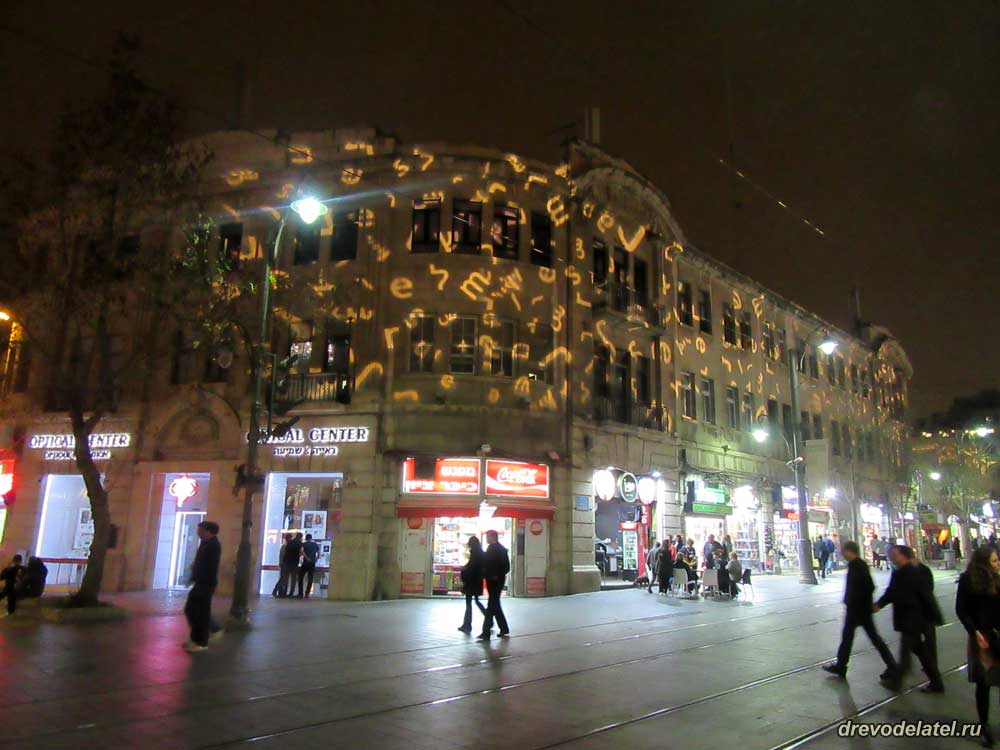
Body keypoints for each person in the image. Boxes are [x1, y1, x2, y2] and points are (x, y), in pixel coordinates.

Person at [822, 541, 899, 682]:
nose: (842, 553)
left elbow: (869, 586)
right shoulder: (855, 565)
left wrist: (857, 601)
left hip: (859, 609)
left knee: (871, 639)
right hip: (858, 609)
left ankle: (892, 666)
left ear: (849, 551)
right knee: (850, 638)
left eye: (843, 551)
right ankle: (841, 665)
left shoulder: (858, 565)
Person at [874, 545, 945, 692]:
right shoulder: (898, 572)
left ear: (904, 556)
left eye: (895, 554)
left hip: (913, 619)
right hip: (908, 618)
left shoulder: (914, 572)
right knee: (920, 651)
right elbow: (891, 592)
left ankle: (896, 682)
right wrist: (879, 604)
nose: (892, 557)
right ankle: (937, 683)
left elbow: (927, 595)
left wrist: (935, 615)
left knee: (905, 653)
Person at [956, 546, 1000, 746]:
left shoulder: (997, 579)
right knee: (984, 682)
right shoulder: (968, 580)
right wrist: (974, 631)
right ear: (983, 563)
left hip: (998, 635)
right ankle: (984, 726)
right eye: (994, 560)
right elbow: (961, 609)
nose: (998, 564)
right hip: (982, 637)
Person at [183, 521, 221, 653]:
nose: (198, 532)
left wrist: (198, 572)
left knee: (198, 611)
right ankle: (198, 637)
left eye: (200, 530)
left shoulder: (213, 545)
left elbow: (209, 566)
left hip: (205, 583)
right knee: (193, 610)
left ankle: (201, 641)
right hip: (200, 582)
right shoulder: (205, 543)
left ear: (208, 531)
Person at [479, 530, 510, 641]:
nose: (486, 539)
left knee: (491, 605)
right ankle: (504, 628)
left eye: (488, 537)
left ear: (493, 537)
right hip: (493, 580)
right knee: (495, 605)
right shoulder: (494, 549)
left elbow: (506, 567)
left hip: (495, 582)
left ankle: (486, 632)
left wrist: (496, 575)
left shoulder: (498, 550)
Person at [459, 536, 487, 633]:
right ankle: (489, 619)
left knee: (469, 603)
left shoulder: (475, 554)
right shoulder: (481, 553)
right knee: (476, 601)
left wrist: (464, 570)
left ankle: (467, 624)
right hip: (477, 582)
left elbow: (471, 567)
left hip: (471, 582)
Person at [297, 533, 320, 598]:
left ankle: (300, 593)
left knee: (300, 577)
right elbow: (319, 553)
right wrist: (316, 559)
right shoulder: (315, 544)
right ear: (311, 538)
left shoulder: (304, 544)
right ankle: (307, 593)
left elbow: (301, 551)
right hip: (312, 563)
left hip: (305, 563)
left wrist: (306, 557)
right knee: (310, 578)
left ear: (306, 538)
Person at [283, 532, 304, 598]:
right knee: (293, 578)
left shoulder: (290, 542)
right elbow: (301, 552)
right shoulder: (300, 543)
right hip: (294, 563)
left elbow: (286, 551)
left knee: (286, 578)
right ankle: (291, 593)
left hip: (287, 562)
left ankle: (284, 592)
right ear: (301, 537)